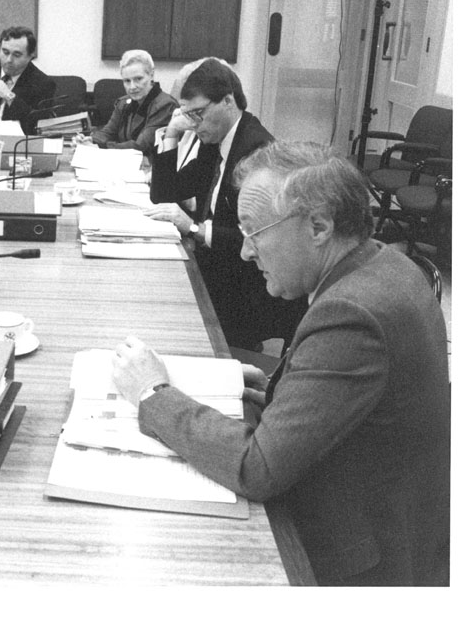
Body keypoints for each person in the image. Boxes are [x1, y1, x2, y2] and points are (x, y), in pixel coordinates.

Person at [112, 141, 450, 586]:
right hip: (391, 511)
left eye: (254, 232)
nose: (245, 252)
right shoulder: (385, 264)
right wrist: (283, 386)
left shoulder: (350, 313)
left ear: (318, 227)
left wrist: (154, 394)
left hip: (356, 559)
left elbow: (257, 468)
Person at [143, 58, 306, 349]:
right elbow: (165, 194)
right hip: (217, 264)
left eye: (198, 113)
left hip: (244, 284)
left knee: (162, 312)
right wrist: (171, 134)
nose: (194, 124)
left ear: (228, 101)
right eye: (187, 115)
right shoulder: (216, 141)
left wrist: (194, 228)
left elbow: (260, 240)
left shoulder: (256, 149)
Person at [90, 50, 176, 154]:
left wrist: (100, 146)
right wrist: (90, 141)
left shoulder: (165, 105)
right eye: (127, 81)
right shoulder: (123, 103)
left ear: (151, 75)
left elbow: (141, 146)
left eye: (138, 79)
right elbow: (107, 132)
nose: (132, 87)